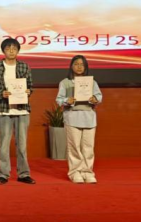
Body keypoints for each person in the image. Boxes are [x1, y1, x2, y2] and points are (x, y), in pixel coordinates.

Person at [0, 38, 35, 185]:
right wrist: (1, 94)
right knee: (3, 144)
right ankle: (3, 174)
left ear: (18, 51)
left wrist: (28, 91)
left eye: (14, 49)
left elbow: (30, 86)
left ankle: (24, 174)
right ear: (3, 51)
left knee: (22, 145)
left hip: (22, 110)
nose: (11, 51)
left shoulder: (24, 66)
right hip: (4, 109)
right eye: (8, 48)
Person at [56, 55, 103, 184]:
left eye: (82, 64)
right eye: (76, 64)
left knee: (88, 147)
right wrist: (67, 100)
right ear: (71, 66)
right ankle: (75, 172)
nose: (79, 67)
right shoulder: (65, 82)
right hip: (72, 117)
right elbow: (59, 99)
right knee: (74, 147)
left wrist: (95, 99)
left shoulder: (92, 82)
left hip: (89, 118)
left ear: (86, 67)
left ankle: (87, 172)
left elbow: (99, 96)